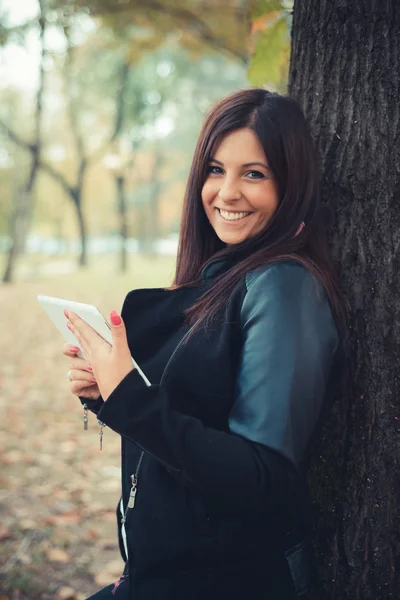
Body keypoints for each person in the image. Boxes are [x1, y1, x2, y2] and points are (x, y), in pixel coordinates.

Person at [62, 88, 346, 599]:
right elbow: (190, 420)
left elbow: (263, 476)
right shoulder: (220, 280)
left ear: (292, 185)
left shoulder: (284, 286)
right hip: (153, 578)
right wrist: (111, 393)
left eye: (254, 174)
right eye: (215, 170)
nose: (227, 193)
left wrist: (131, 397)